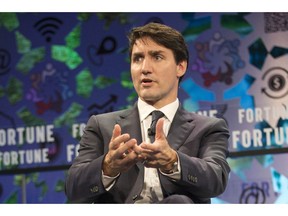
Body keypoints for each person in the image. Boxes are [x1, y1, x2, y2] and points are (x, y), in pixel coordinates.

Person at [65, 22, 230, 204]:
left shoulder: (208, 128)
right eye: (137, 59)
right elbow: (73, 188)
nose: (145, 68)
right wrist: (107, 167)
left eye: (157, 57)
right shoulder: (101, 126)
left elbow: (216, 180)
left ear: (180, 67)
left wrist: (174, 162)